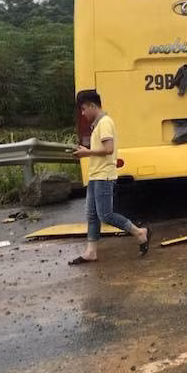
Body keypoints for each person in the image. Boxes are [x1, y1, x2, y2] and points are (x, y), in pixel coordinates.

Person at [70, 90, 150, 264]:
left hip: (104, 176)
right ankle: (91, 251)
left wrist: (87, 152)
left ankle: (139, 232)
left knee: (105, 214)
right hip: (95, 175)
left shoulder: (105, 123)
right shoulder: (98, 125)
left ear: (92, 106)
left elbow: (109, 149)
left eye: (84, 109)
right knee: (92, 215)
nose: (83, 114)